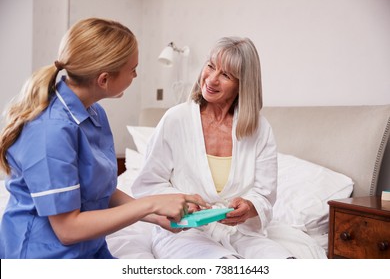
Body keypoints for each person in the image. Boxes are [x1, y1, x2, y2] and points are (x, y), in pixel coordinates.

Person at [0, 18, 207, 259]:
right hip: (43, 257)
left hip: (91, 249)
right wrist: (150, 204)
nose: (136, 75)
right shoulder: (50, 131)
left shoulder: (94, 113)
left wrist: (156, 216)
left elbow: (100, 191)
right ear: (104, 79)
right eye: (132, 69)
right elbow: (68, 229)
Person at [131, 37, 294, 259]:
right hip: (185, 231)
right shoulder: (176, 119)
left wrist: (249, 205)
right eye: (210, 66)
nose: (211, 79)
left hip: (242, 233)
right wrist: (183, 201)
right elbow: (147, 184)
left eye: (225, 75)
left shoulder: (259, 129)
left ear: (242, 84)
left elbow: (265, 194)